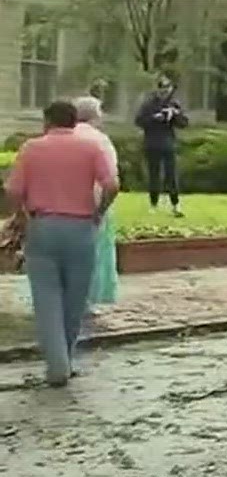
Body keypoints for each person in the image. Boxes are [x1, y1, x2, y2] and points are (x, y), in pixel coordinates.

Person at [4, 99, 119, 385]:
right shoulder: (91, 148)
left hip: (43, 226)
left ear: (47, 121)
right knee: (74, 300)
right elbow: (112, 184)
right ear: (74, 121)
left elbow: (13, 189)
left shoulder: (31, 149)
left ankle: (57, 365)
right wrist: (99, 211)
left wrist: (20, 214)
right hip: (81, 228)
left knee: (47, 299)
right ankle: (66, 357)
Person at [72, 96, 121, 319]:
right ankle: (86, 300)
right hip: (92, 202)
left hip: (57, 205)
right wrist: (101, 209)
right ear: (95, 115)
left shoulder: (59, 136)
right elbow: (110, 178)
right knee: (93, 253)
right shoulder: (100, 140)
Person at [133, 74, 188, 216]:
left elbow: (184, 123)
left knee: (171, 176)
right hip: (152, 143)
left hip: (169, 143)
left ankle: (175, 204)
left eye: (167, 88)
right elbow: (139, 121)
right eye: (162, 88)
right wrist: (154, 118)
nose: (165, 91)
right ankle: (153, 203)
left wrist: (175, 115)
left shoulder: (174, 104)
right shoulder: (149, 104)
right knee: (154, 175)